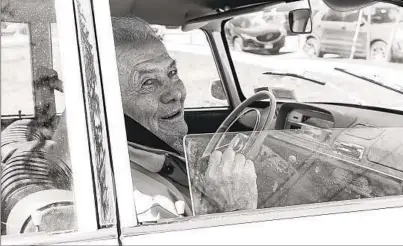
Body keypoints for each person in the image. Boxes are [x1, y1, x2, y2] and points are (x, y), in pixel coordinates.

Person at [1, 16, 258, 232]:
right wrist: (236, 212)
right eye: (148, 83)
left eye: (172, 73)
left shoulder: (123, 150)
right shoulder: (149, 209)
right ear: (106, 102)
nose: (175, 93)